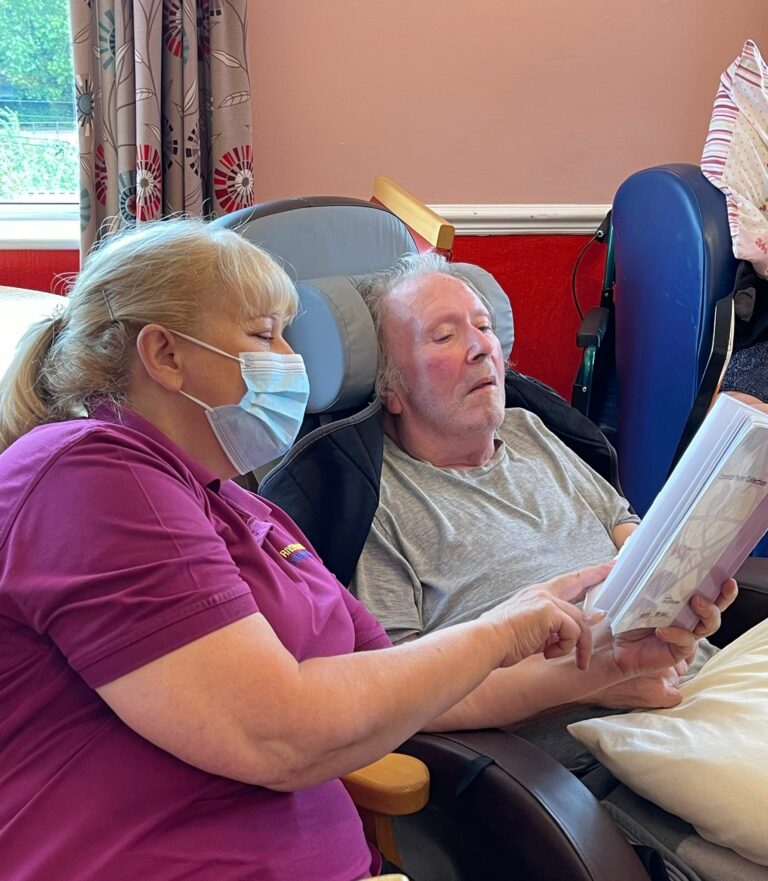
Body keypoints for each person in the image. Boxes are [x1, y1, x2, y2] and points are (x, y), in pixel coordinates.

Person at [0, 219, 672, 881]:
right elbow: (274, 732)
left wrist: (605, 664)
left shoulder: (250, 513)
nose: (291, 360)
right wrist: (502, 629)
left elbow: (409, 689)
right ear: (166, 355)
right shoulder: (87, 473)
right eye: (263, 334)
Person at [351, 253, 737, 750]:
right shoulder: (376, 501)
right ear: (391, 387)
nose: (481, 348)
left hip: (701, 682)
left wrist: (682, 592)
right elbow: (401, 695)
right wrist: (593, 681)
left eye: (484, 327)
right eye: (444, 336)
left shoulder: (530, 429)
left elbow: (627, 531)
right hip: (600, 751)